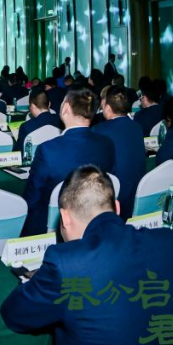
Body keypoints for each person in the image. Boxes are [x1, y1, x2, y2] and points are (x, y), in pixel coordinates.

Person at [2, 166, 173, 345]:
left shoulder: (66, 262)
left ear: (64, 218)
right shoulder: (167, 241)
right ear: (117, 208)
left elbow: (14, 315)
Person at [20, 88, 115, 236]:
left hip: (53, 226)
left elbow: (31, 198)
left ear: (65, 108)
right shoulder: (106, 144)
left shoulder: (48, 150)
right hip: (97, 219)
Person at [92, 85, 146, 218]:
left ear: (108, 108)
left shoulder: (99, 130)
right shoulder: (137, 127)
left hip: (113, 197)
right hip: (137, 192)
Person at [12, 89, 63, 153]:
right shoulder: (61, 122)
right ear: (49, 104)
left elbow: (18, 151)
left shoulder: (26, 127)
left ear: (33, 106)